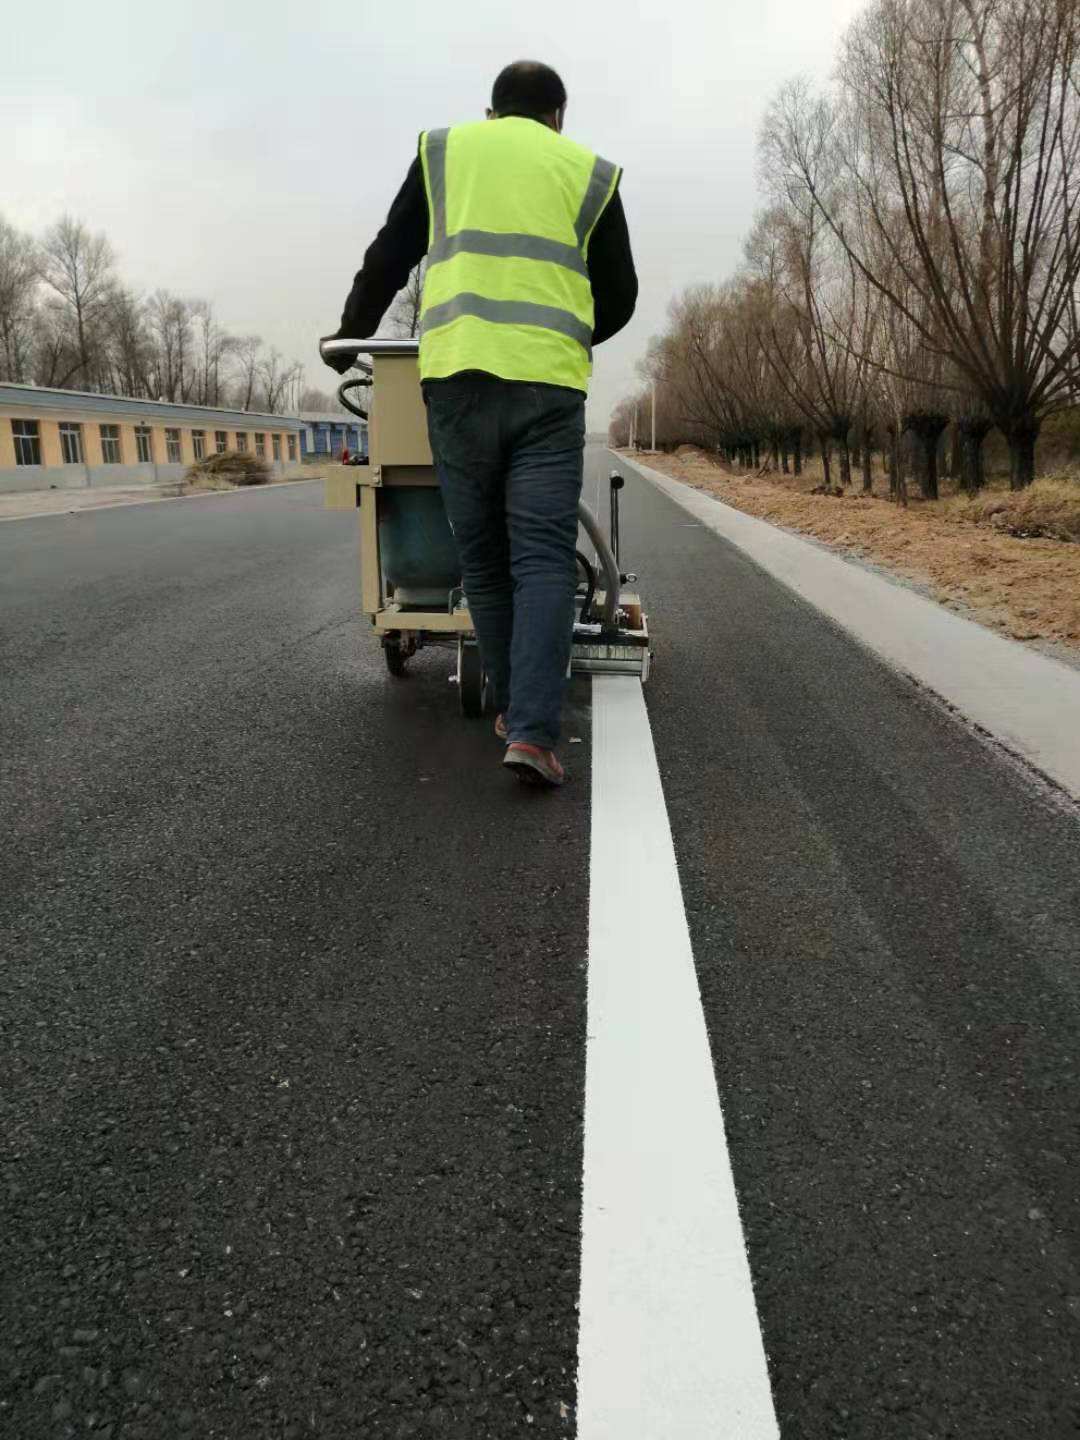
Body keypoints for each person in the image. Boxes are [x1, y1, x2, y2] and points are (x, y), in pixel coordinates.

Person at [325, 60, 637, 787]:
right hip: (548, 392)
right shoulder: (590, 171)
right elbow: (619, 292)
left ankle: (510, 709)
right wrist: (569, 337)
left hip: (457, 383)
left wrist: (349, 337)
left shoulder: (444, 150)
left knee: (487, 561)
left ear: (492, 113)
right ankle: (532, 731)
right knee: (541, 558)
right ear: (558, 115)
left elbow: (390, 253)